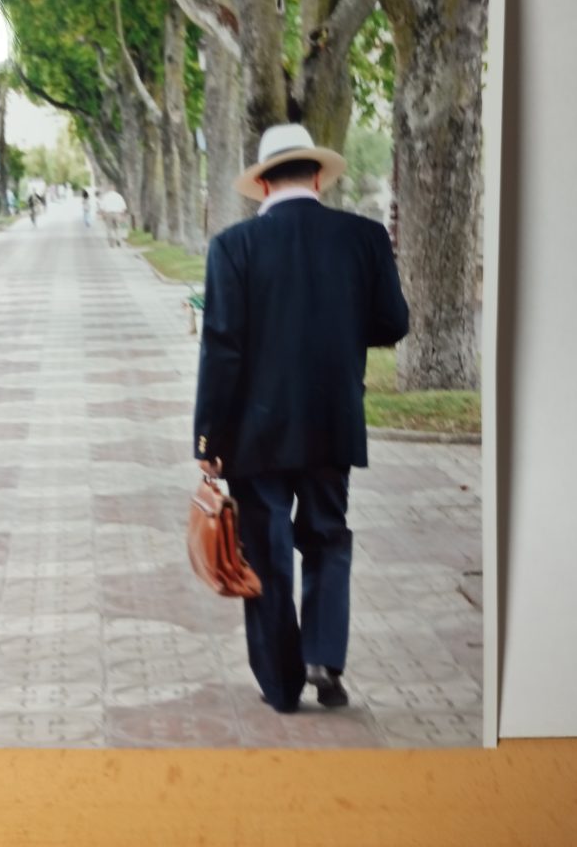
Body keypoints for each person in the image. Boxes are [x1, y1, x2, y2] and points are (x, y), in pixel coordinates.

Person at [193, 123, 409, 714]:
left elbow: (222, 348)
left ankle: (282, 685)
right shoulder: (363, 238)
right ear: (317, 176)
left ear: (262, 185)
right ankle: (323, 657)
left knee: (265, 552)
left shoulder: (233, 248)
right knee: (327, 536)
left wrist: (208, 437)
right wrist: (339, 327)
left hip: (253, 432)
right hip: (332, 420)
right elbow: (393, 323)